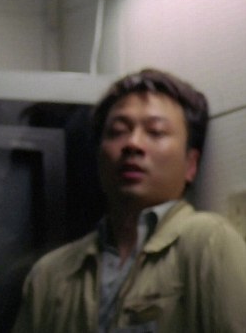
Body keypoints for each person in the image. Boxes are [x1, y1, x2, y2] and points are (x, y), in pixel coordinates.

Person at [12, 68, 246, 332]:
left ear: (191, 164)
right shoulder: (50, 273)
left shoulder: (208, 242)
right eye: (117, 131)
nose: (132, 144)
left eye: (156, 131)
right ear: (98, 156)